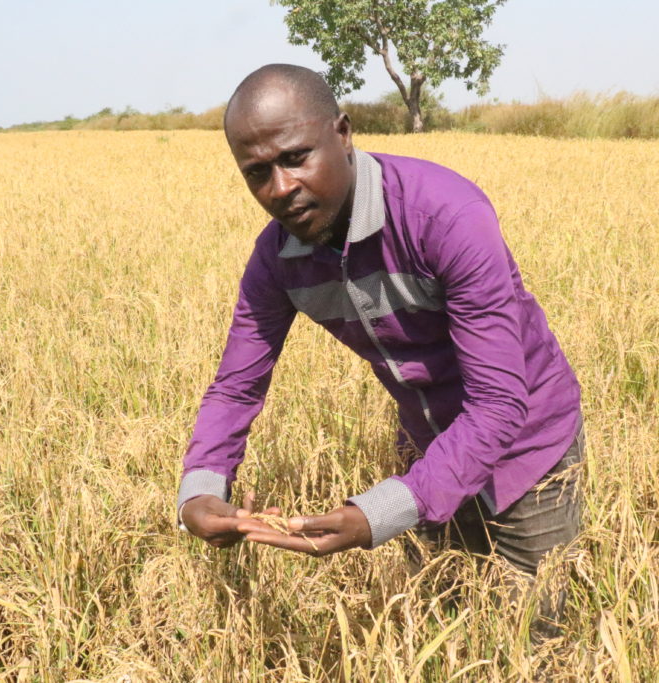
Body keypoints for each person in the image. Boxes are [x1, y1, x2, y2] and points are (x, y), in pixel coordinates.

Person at [176, 64, 584, 607]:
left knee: (541, 633)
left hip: (530, 450)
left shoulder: (444, 216)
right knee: (443, 621)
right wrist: (199, 493)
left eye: (297, 157)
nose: (281, 189)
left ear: (343, 135)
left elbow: (498, 403)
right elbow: (236, 386)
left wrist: (382, 511)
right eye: (257, 172)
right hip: (429, 449)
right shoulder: (276, 259)